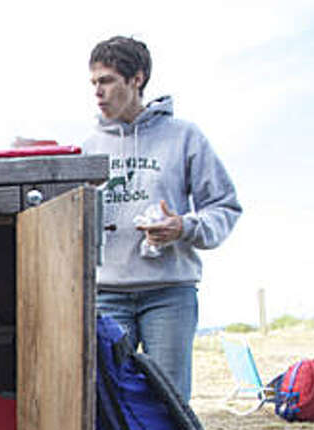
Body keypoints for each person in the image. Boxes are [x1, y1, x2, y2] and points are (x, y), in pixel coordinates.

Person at [85, 35, 241, 401]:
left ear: (136, 79)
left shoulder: (184, 136)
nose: (98, 92)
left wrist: (183, 227)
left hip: (169, 293)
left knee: (170, 403)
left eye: (106, 81)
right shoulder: (89, 147)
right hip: (106, 294)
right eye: (93, 83)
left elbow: (225, 206)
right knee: (108, 404)